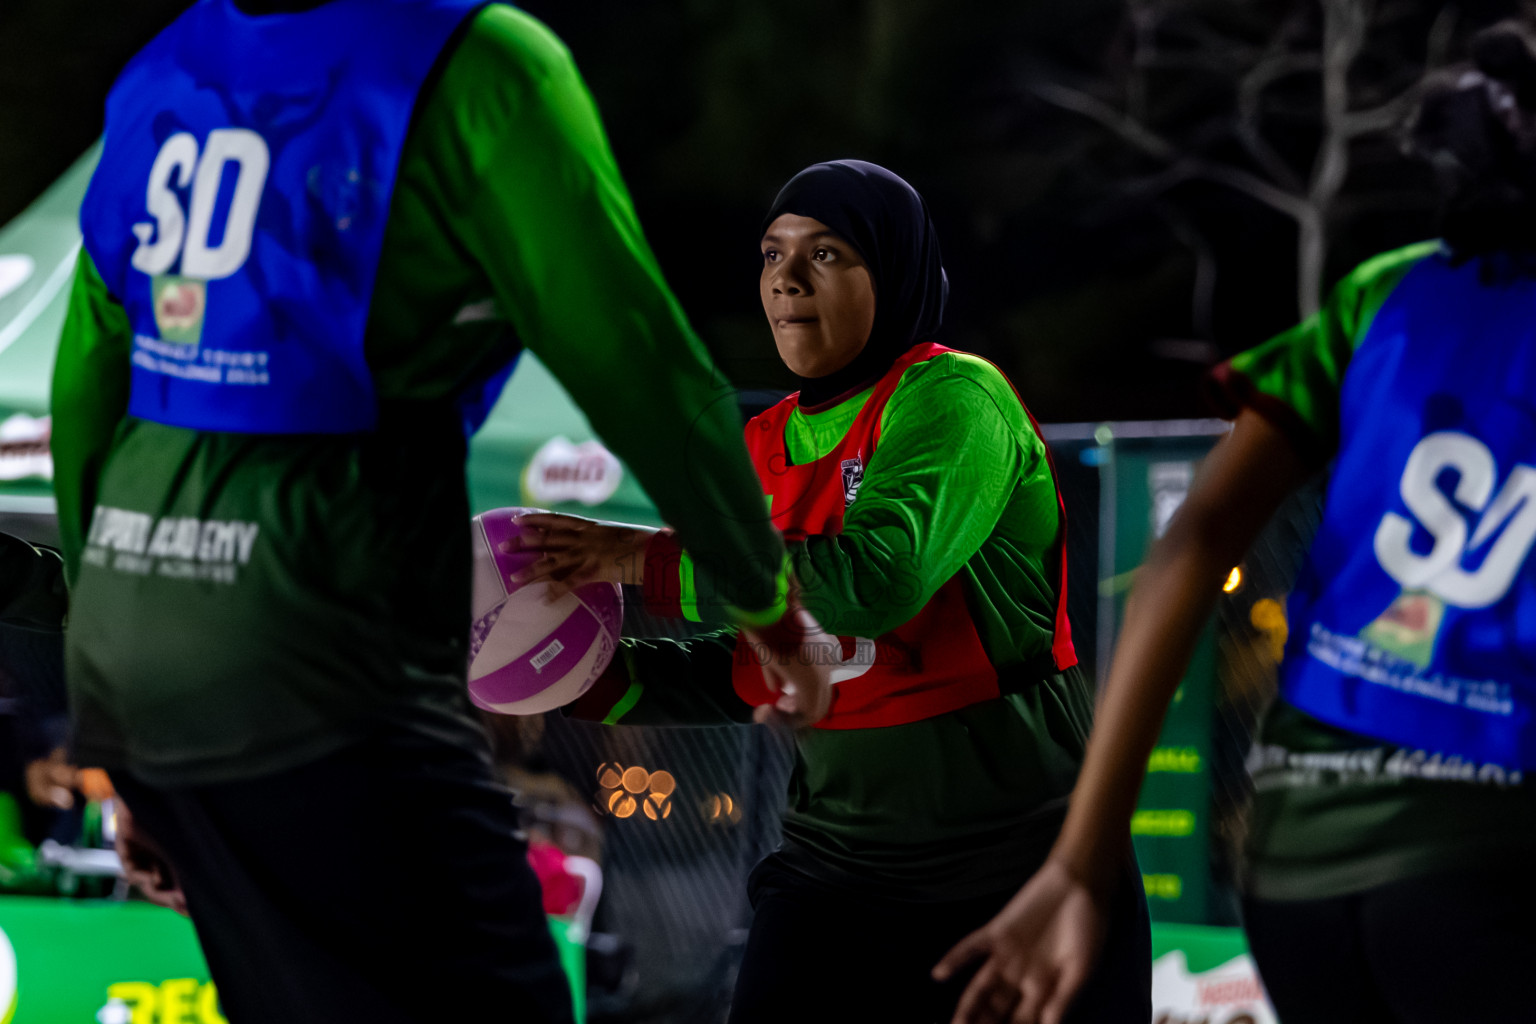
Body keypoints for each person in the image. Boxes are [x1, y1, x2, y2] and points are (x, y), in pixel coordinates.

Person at [50, 2, 833, 1020]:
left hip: (136, 651)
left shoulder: (169, 61)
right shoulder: (482, 63)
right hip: (317, 653)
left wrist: (120, 707)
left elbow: (85, 392)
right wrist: (766, 603)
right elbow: (645, 367)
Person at [938, 21, 1536, 1024]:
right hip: (1489, 855)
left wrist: (1082, 860)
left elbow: (1195, 542)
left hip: (1298, 862)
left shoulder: (1383, 294)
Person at [514, 160, 1151, 1024]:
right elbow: (760, 662)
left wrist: (640, 558)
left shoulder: (955, 398)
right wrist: (574, 671)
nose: (785, 277)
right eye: (773, 254)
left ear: (889, 273)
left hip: (1023, 867)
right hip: (837, 870)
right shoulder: (765, 444)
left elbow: (869, 584)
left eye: (826, 253)